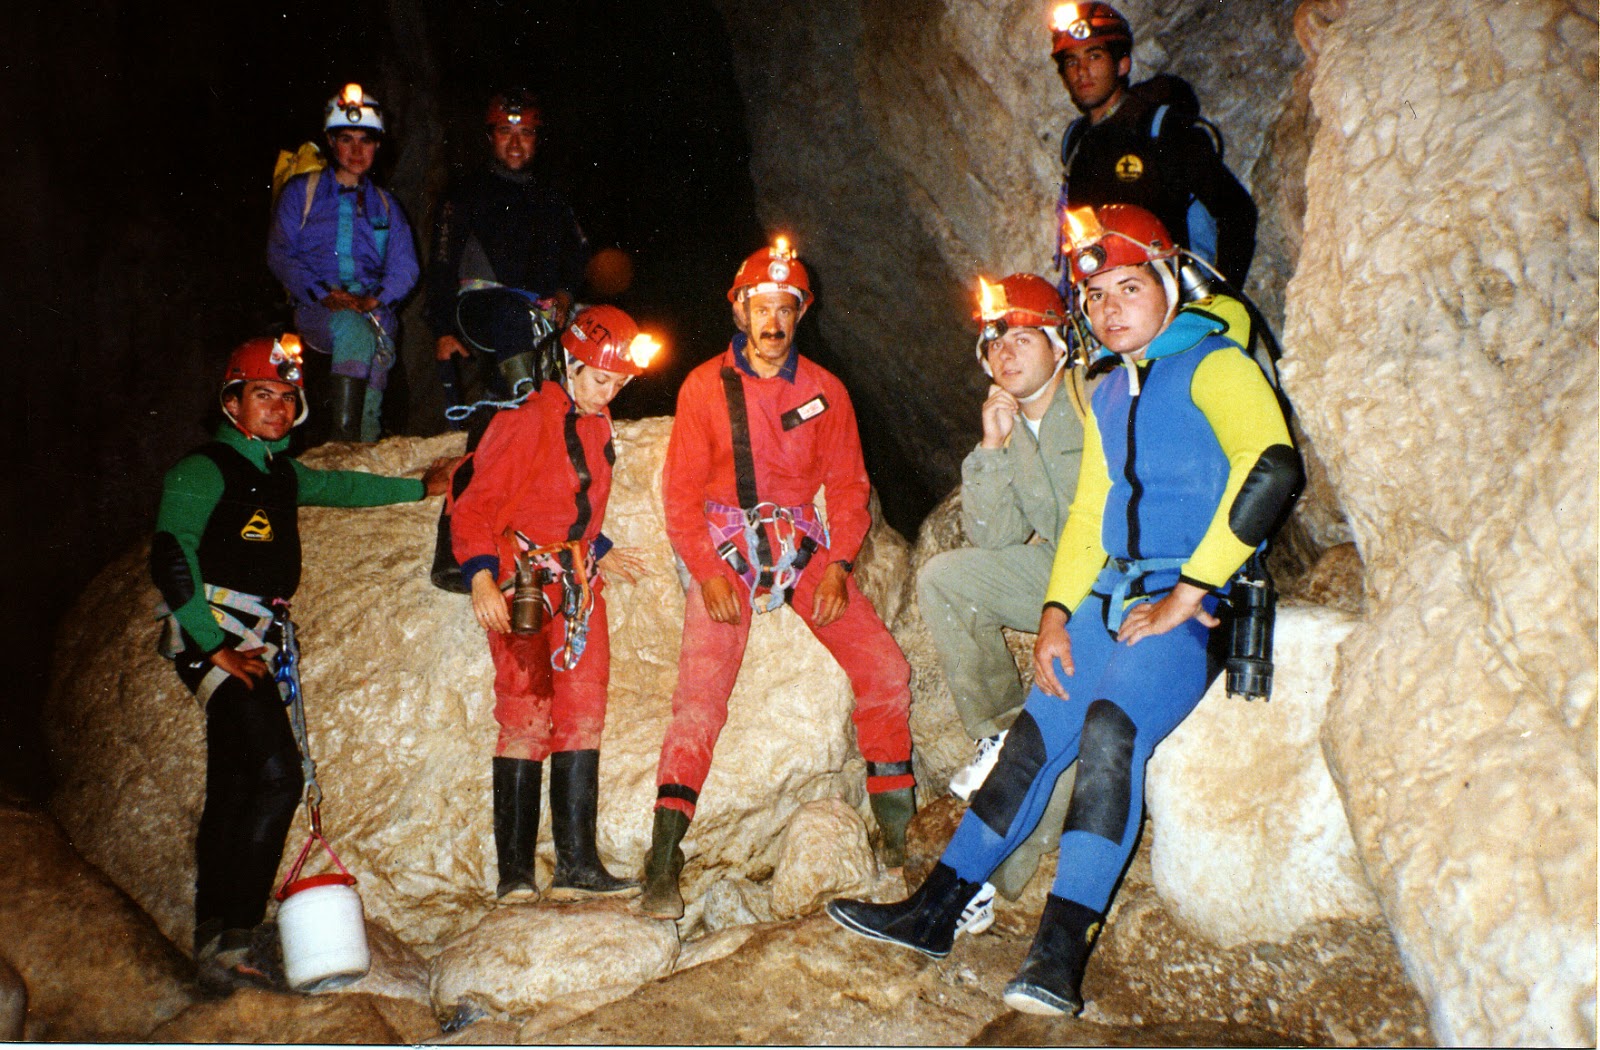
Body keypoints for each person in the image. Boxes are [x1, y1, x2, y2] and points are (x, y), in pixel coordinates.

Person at [827, 204, 1301, 1017]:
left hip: (1194, 600)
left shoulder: (1218, 366)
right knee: (1032, 741)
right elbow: (1090, 513)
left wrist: (1190, 591)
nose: (1114, 306)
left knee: (1112, 732)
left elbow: (1272, 469)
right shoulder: (1111, 392)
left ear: (1170, 283)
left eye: (1130, 286)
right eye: (1100, 296)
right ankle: (933, 912)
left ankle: (1057, 955)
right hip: (1109, 596)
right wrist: (1054, 614)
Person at [150, 334, 452, 991]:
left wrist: (418, 487)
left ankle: (217, 942)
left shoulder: (278, 474)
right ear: (233, 401)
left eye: (288, 399)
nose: (279, 410)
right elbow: (171, 556)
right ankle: (236, 933)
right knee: (278, 777)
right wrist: (214, 646)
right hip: (219, 641)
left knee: (235, 785)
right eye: (264, 395)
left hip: (247, 641)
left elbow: (339, 487)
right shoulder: (204, 469)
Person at [638, 239, 917, 920]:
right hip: (727, 544)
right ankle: (663, 856)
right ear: (739, 311)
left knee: (885, 671)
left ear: (799, 316)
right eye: (761, 307)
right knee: (700, 699)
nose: (773, 321)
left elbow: (849, 486)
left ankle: (896, 833)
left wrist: (842, 564)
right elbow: (679, 498)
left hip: (798, 544)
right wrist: (704, 571)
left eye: (784, 309)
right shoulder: (706, 386)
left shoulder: (825, 391)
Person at [450, 305, 658, 900]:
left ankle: (577, 863)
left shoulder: (596, 424)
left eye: (619, 382)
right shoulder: (525, 419)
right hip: (522, 586)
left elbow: (575, 502)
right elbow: (478, 505)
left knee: (583, 711)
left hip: (575, 579)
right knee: (524, 713)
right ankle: (514, 874)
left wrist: (601, 547)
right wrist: (482, 578)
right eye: (599, 378)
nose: (609, 392)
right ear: (568, 364)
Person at [916, 273, 1086, 911]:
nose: (1006, 353)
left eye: (1022, 337)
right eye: (996, 343)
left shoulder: (1096, 399)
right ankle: (995, 729)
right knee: (946, 578)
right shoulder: (1013, 429)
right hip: (1053, 572)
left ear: (1059, 344)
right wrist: (991, 444)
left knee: (1060, 707)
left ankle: (989, 880)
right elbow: (995, 535)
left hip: (1111, 581)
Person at [425, 90, 590, 592]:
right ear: (490, 137)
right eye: (505, 132)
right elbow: (442, 262)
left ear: (537, 140)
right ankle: (530, 406)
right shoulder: (465, 193)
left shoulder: (552, 197)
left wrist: (564, 294)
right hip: (485, 307)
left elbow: (577, 255)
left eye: (525, 133)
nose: (515, 143)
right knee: (522, 393)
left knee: (499, 412)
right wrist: (442, 330)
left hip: (534, 313)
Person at [1050, 3, 1256, 286]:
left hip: (1174, 303)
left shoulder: (1162, 130)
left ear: (1122, 65)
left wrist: (1221, 296)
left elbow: (1237, 210)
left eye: (1094, 56)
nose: (1081, 71)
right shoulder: (1077, 143)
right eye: (1071, 61)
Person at [268, 83, 420, 443]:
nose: (355, 150)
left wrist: (377, 298)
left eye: (365, 140)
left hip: (367, 305)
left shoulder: (386, 205)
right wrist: (322, 292)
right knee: (353, 329)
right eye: (346, 138)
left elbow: (406, 266)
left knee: (380, 329)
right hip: (316, 307)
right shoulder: (301, 193)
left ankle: (366, 436)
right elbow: (280, 252)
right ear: (330, 141)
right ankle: (345, 439)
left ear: (378, 145)